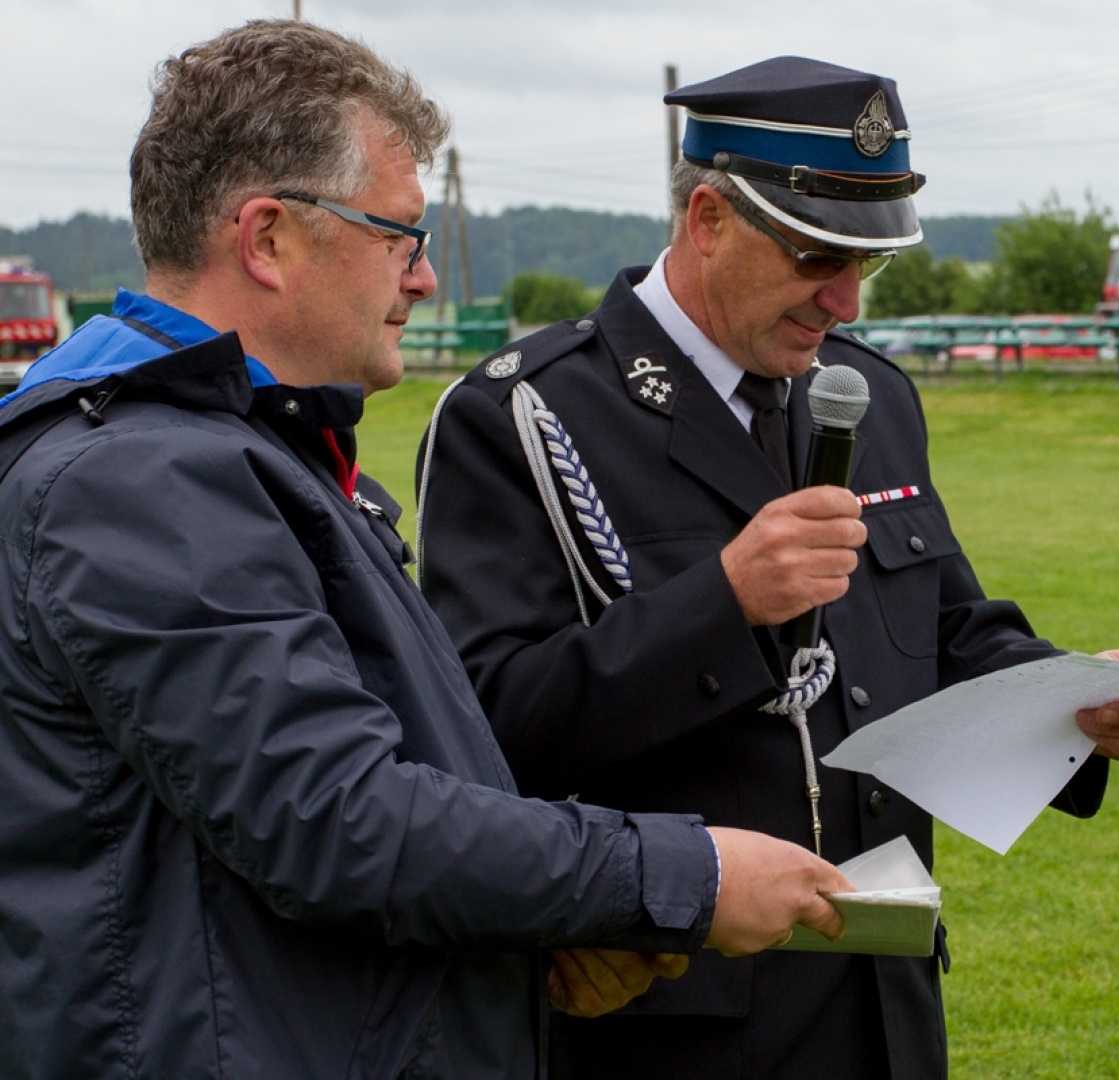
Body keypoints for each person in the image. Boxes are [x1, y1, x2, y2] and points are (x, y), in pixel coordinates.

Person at [0, 25, 854, 1080]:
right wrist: (686, 875)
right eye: (400, 234)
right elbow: (336, 817)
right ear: (268, 239)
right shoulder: (137, 478)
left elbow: (377, 795)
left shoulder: (238, 453)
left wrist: (541, 929)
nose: (424, 275)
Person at [416, 57, 1119, 1080]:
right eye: (816, 256)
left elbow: (944, 627)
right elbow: (481, 731)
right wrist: (723, 601)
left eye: (867, 265)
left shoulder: (867, 395)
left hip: (881, 995)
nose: (845, 300)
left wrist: (1078, 702)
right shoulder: (526, 414)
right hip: (668, 1020)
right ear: (707, 218)